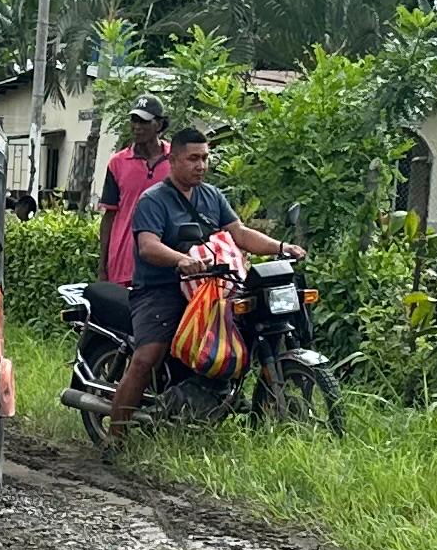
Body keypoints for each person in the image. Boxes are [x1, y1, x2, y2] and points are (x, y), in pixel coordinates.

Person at [106, 125, 300, 447]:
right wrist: (180, 260)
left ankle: (211, 395)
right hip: (161, 289)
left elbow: (240, 233)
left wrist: (281, 247)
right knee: (147, 356)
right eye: (193, 158)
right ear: (173, 160)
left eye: (205, 158)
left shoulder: (211, 195)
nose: (201, 165)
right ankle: (116, 437)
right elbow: (148, 246)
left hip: (210, 287)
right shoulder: (153, 200)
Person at [97, 99, 170, 292]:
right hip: (123, 263)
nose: (137, 127)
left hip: (165, 262)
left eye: (144, 121)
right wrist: (102, 267)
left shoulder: (176, 159)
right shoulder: (117, 163)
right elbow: (109, 215)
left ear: (159, 124)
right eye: (134, 120)